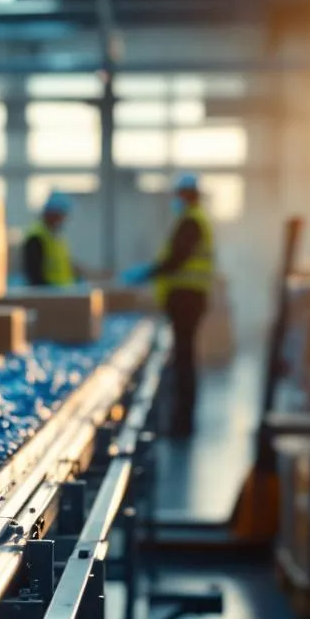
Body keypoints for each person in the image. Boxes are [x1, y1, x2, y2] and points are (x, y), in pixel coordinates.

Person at [119, 173, 215, 438]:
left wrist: (148, 272)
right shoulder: (191, 220)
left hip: (187, 297)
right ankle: (182, 421)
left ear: (187, 195)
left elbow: (176, 260)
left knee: (184, 359)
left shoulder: (191, 222)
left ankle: (182, 424)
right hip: (188, 297)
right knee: (183, 358)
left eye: (179, 194)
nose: (176, 199)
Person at [21, 191, 79, 287]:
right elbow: (34, 273)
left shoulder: (56, 237)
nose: (62, 219)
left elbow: (64, 265)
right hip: (48, 295)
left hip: (62, 293)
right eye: (59, 215)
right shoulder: (36, 237)